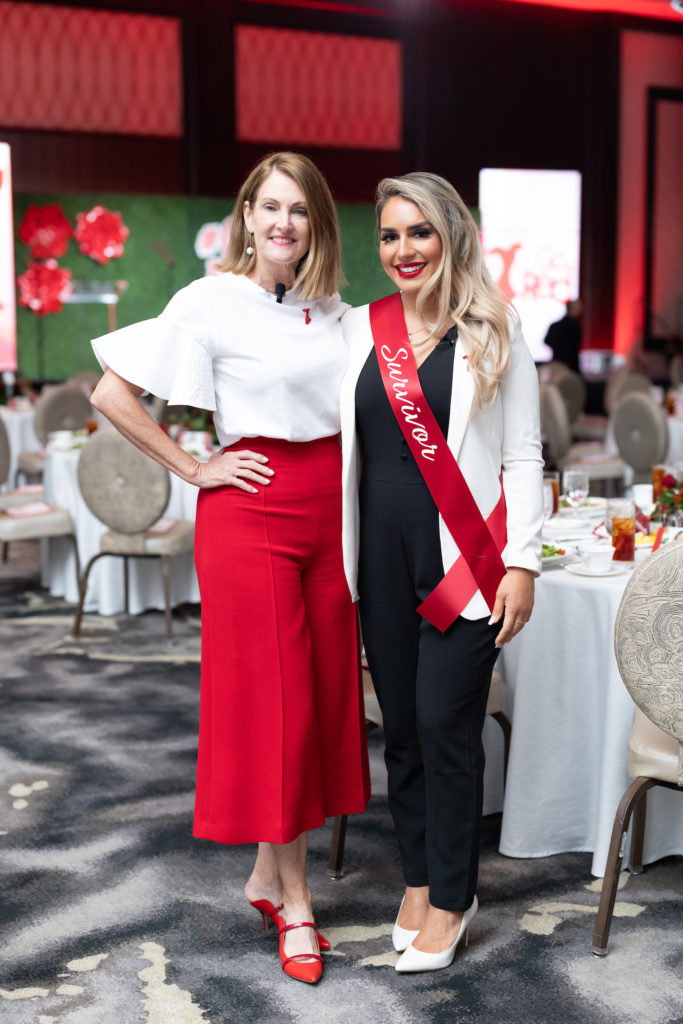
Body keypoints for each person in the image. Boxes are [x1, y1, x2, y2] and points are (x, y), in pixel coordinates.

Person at [89, 152, 370, 986]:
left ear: (318, 222)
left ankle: (263, 871)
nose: (282, 223)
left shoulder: (336, 312)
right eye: (268, 206)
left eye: (299, 210)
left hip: (331, 512)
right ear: (247, 215)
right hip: (251, 509)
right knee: (276, 706)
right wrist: (191, 464)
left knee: (314, 702)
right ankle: (297, 901)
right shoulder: (210, 298)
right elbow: (111, 395)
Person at [339, 172, 543, 973]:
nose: (402, 249)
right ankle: (419, 878)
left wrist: (521, 562)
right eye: (389, 235)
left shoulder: (495, 327)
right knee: (402, 738)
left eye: (418, 232)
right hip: (381, 561)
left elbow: (524, 454)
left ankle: (453, 899)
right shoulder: (361, 329)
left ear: (451, 235)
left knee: (444, 727)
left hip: (467, 560)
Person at [544, 298, 582, 374]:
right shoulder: (574, 326)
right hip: (571, 367)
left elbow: (547, 341)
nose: (580, 311)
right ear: (572, 309)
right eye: (579, 308)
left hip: (556, 364)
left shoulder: (555, 325)